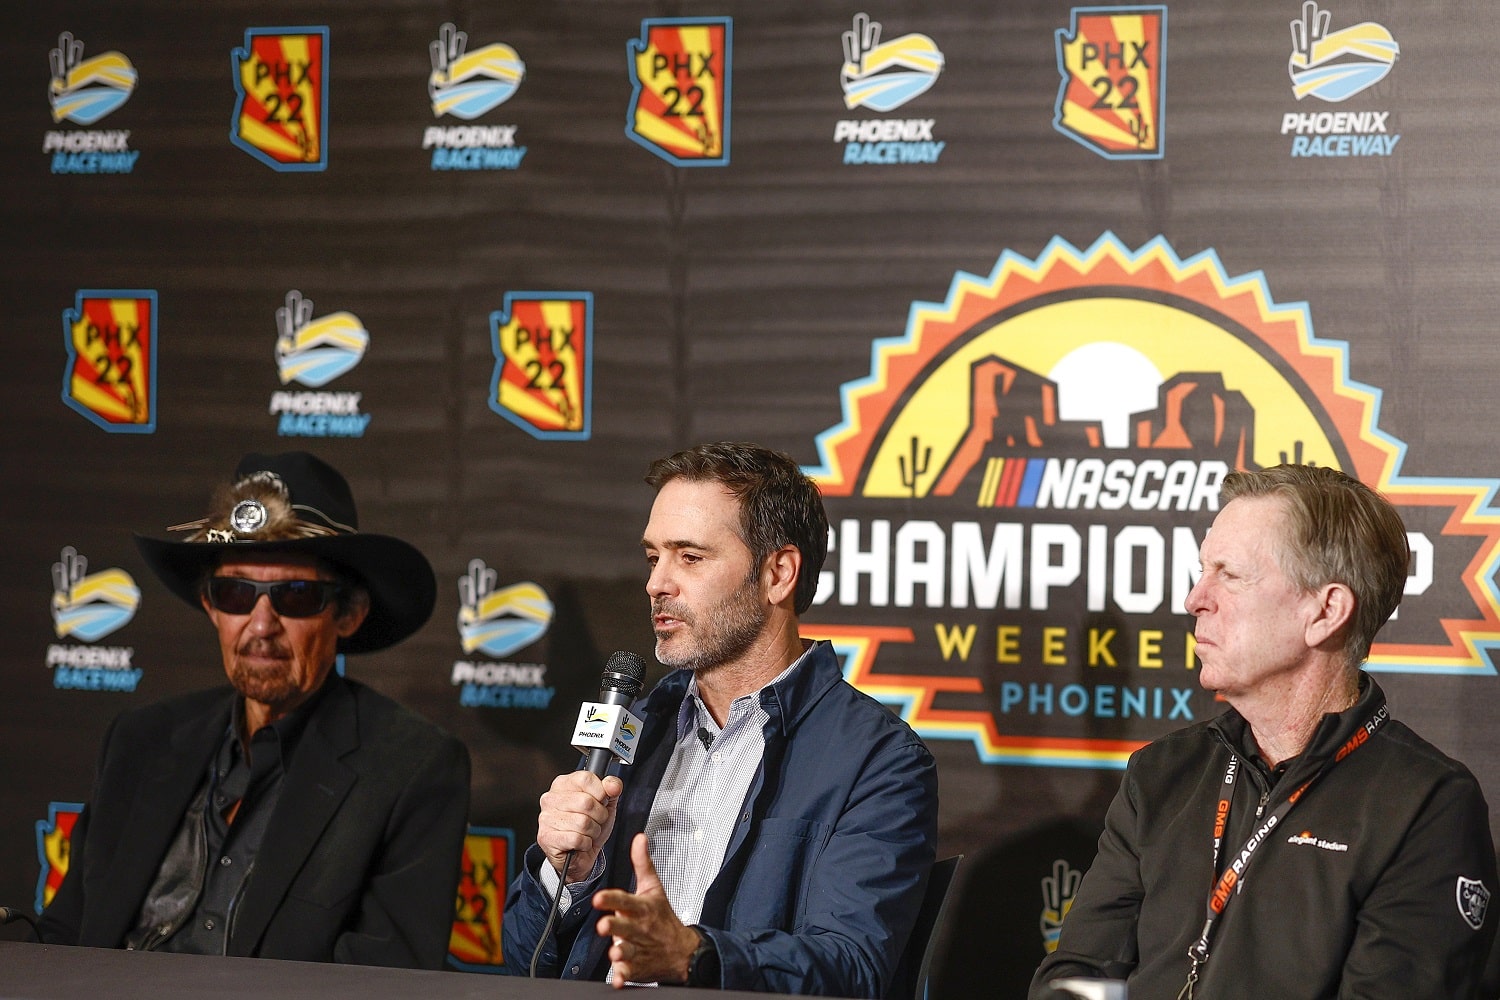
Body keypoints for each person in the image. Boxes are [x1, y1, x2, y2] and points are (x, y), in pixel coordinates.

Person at [1031, 464, 1497, 999]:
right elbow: (1073, 979)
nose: (1194, 599)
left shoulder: (1426, 805)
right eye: (1203, 570)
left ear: (1324, 612)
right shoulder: (1163, 773)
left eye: (1229, 575)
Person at [502, 442, 938, 996]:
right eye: (652, 557)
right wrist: (568, 875)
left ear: (778, 573)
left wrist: (695, 956)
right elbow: (524, 966)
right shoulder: (637, 729)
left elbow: (851, 968)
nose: (657, 583)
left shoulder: (878, 761)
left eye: (689, 557)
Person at [37, 451, 471, 969]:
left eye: (294, 595)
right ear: (211, 606)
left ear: (349, 614)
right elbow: (64, 937)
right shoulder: (140, 740)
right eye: (237, 592)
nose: (260, 624)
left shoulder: (411, 769)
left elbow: (385, 984)